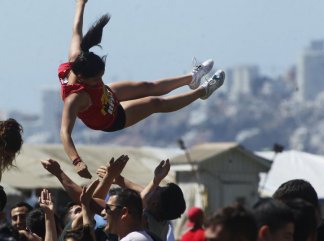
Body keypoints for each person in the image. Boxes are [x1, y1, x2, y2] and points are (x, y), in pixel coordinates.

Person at [59, 0, 225, 178]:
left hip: (105, 95)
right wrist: (77, 161)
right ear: (82, 78)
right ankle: (203, 91)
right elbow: (65, 132)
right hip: (109, 117)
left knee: (148, 86)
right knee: (154, 103)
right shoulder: (74, 99)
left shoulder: (78, 59)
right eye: (96, 79)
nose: (100, 80)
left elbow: (76, 30)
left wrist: (80, 4)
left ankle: (192, 78)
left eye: (101, 75)